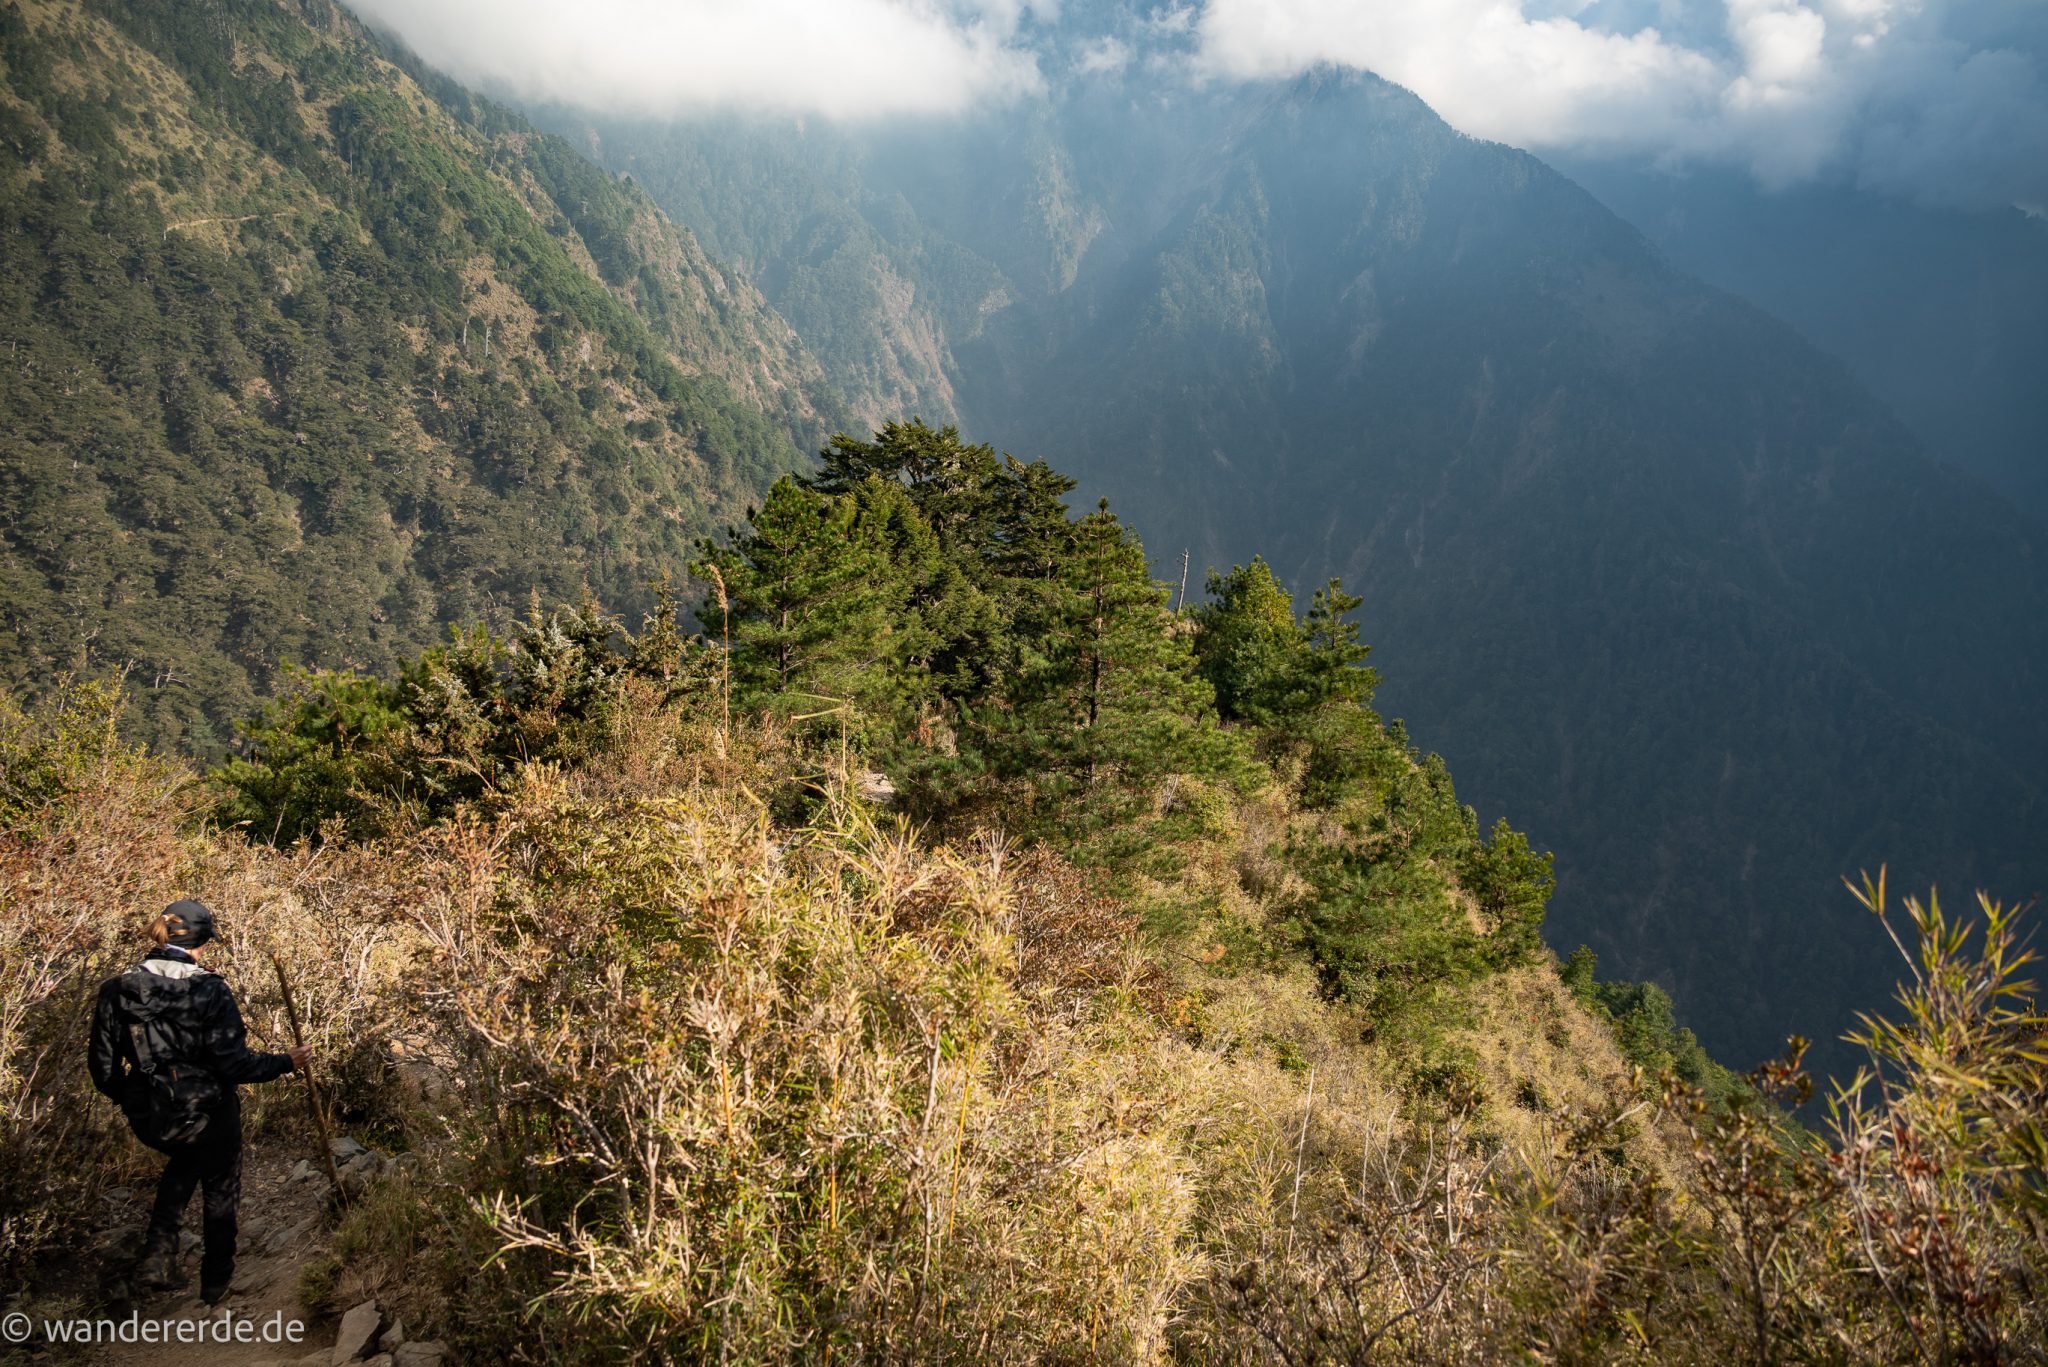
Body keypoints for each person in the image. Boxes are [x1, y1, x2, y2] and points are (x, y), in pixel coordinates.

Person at [88, 899, 311, 1305]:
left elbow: (103, 1071)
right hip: (207, 1109)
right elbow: (234, 1064)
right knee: (219, 1182)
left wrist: (138, 1099)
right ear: (200, 942)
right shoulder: (209, 989)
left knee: (186, 1157)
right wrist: (285, 1062)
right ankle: (215, 1282)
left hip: (150, 1115)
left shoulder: (115, 990)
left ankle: (158, 1254)